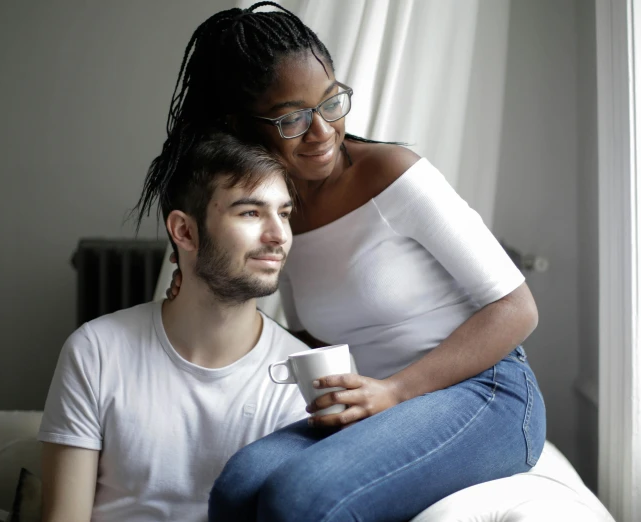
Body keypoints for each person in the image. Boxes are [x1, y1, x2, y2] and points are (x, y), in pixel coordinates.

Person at [157, 3, 547, 521]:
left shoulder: (394, 176)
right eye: (292, 117)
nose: (321, 130)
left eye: (331, 101)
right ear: (242, 126)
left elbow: (518, 309)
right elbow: (316, 337)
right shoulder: (278, 210)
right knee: (238, 487)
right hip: (375, 402)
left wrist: (394, 391)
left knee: (299, 498)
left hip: (488, 391)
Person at [38, 133, 310, 522]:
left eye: (283, 213)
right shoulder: (96, 351)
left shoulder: (301, 375)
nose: (278, 235)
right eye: (250, 212)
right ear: (184, 231)